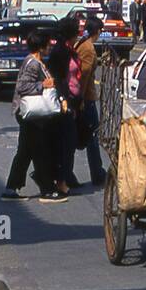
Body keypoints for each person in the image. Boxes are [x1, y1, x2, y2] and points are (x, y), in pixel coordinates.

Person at [2, 32, 65, 202]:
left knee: (25, 152)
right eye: (47, 45)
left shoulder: (36, 62)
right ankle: (47, 189)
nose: (49, 48)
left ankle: (11, 189)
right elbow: (23, 87)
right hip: (30, 116)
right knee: (40, 152)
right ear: (41, 47)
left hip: (31, 117)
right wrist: (42, 85)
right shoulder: (33, 64)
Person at [47, 18, 83, 194]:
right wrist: (64, 99)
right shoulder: (60, 51)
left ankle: (66, 176)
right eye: (77, 31)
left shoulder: (69, 49)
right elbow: (58, 78)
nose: (79, 34)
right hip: (63, 104)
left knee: (70, 142)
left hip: (72, 102)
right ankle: (61, 180)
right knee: (65, 144)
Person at [74, 17, 106, 185]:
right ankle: (97, 172)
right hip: (86, 98)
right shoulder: (88, 48)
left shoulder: (83, 43)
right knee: (91, 136)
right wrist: (80, 99)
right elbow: (84, 76)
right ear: (98, 31)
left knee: (85, 136)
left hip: (84, 97)